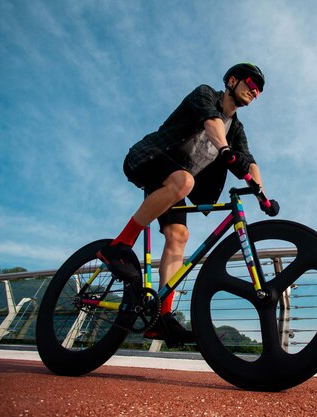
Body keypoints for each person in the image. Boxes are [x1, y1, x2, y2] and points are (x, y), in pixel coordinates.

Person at [97, 63, 280, 348]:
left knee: (179, 236)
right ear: (232, 81)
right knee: (184, 181)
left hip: (174, 179)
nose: (255, 92)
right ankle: (119, 245)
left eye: (259, 90)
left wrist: (261, 194)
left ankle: (161, 316)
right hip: (150, 158)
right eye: (251, 83)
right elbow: (212, 122)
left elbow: (249, 159)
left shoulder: (237, 128)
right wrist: (225, 150)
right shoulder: (206, 94)